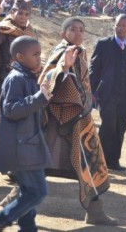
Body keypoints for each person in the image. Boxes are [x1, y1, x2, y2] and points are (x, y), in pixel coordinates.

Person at [40, 17, 118, 225]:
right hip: (59, 123)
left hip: (78, 121)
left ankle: (95, 211)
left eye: (81, 30)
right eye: (73, 29)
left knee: (81, 164)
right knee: (53, 164)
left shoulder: (79, 53)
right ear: (63, 33)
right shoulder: (61, 52)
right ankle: (13, 203)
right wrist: (63, 69)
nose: (78, 33)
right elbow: (46, 79)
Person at [0, 36, 53, 232]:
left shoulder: (28, 76)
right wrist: (39, 98)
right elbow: (11, 109)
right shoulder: (16, 78)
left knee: (27, 192)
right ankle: (0, 220)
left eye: (40, 54)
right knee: (37, 192)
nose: (40, 58)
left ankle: (28, 229)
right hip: (21, 147)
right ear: (20, 57)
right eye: (35, 54)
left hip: (26, 144)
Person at [89, 14, 126, 171]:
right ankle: (99, 161)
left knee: (120, 128)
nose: (120, 28)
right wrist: (92, 91)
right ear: (114, 26)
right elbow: (93, 69)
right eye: (118, 25)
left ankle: (114, 161)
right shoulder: (103, 45)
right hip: (107, 95)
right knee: (108, 127)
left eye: (124, 25)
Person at [0, 0, 37, 94]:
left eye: (26, 14)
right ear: (12, 12)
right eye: (20, 13)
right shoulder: (5, 28)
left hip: (26, 77)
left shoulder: (31, 33)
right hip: (6, 77)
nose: (23, 17)